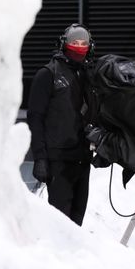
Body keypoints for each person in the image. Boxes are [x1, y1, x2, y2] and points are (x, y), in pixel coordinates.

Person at [26, 23, 94, 226]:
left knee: (77, 221)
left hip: (82, 159)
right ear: (64, 44)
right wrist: (40, 158)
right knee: (60, 223)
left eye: (84, 43)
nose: (79, 47)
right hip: (58, 160)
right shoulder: (47, 74)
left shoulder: (89, 75)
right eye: (75, 42)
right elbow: (35, 118)